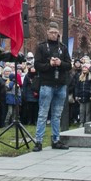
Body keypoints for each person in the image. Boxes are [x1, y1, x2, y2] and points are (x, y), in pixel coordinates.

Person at [33, 23, 72, 152]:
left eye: (56, 32)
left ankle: (56, 139)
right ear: (47, 32)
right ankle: (38, 141)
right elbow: (37, 65)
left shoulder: (63, 48)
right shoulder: (41, 47)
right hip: (46, 84)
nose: (54, 35)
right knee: (43, 114)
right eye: (52, 32)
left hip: (60, 84)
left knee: (57, 114)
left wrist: (60, 63)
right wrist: (49, 64)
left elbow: (69, 65)